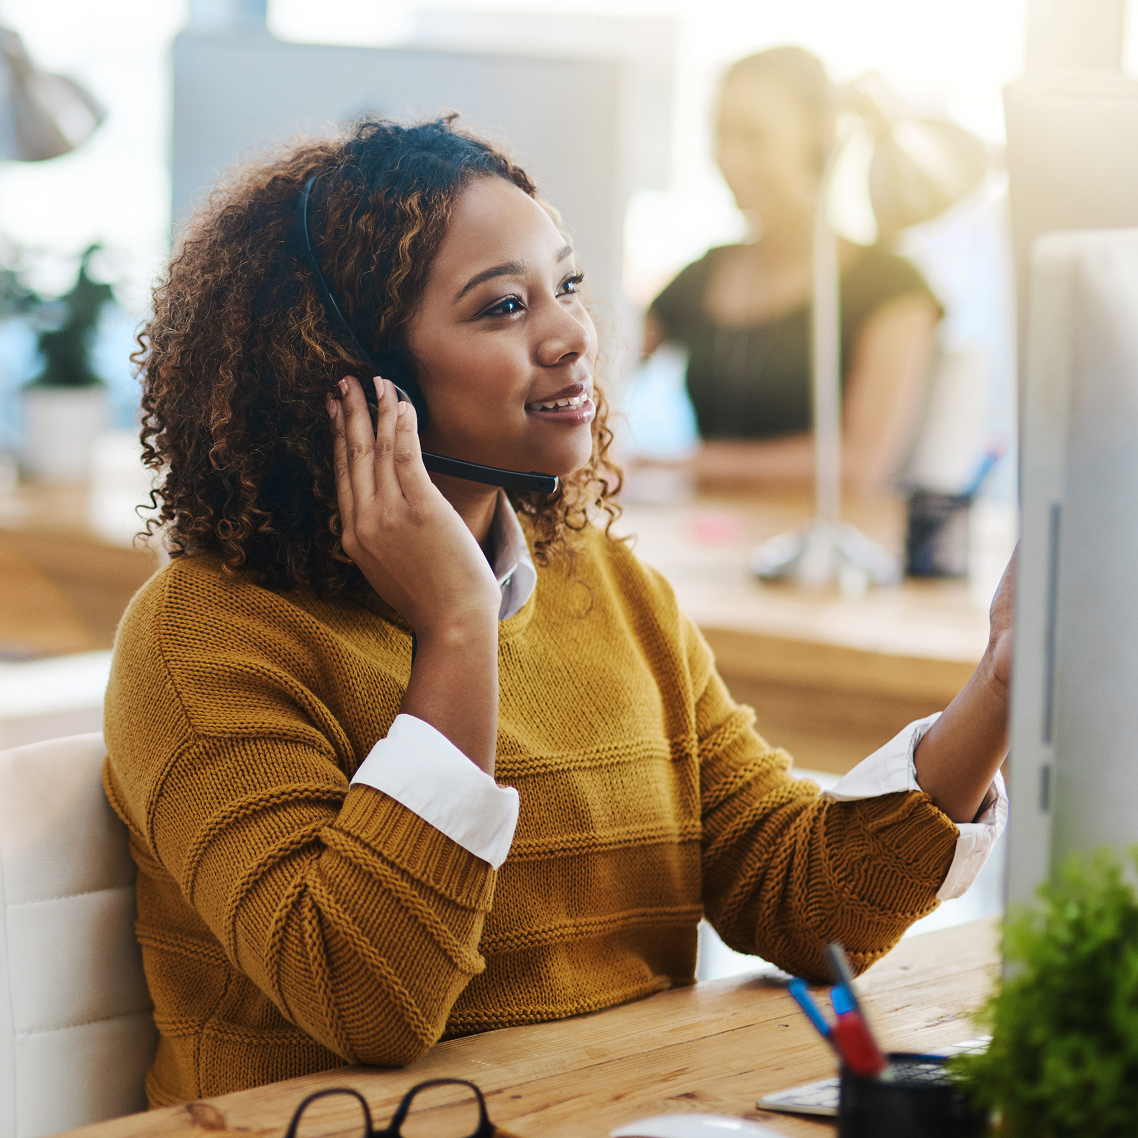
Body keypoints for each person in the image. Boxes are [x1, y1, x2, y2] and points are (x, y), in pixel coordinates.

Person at [104, 117, 1009, 1107]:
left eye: (567, 286)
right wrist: (455, 627)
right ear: (355, 374)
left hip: (611, 1113)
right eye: (501, 306)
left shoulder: (604, 587)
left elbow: (801, 904)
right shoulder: (206, 635)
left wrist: (1001, 681)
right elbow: (367, 1000)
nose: (573, 334)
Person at [642, 47, 942, 491]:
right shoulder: (703, 273)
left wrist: (673, 466)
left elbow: (860, 463)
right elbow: (602, 364)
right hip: (706, 535)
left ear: (819, 139)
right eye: (720, 134)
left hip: (821, 547)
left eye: (753, 136)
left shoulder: (890, 285)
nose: (728, 158)